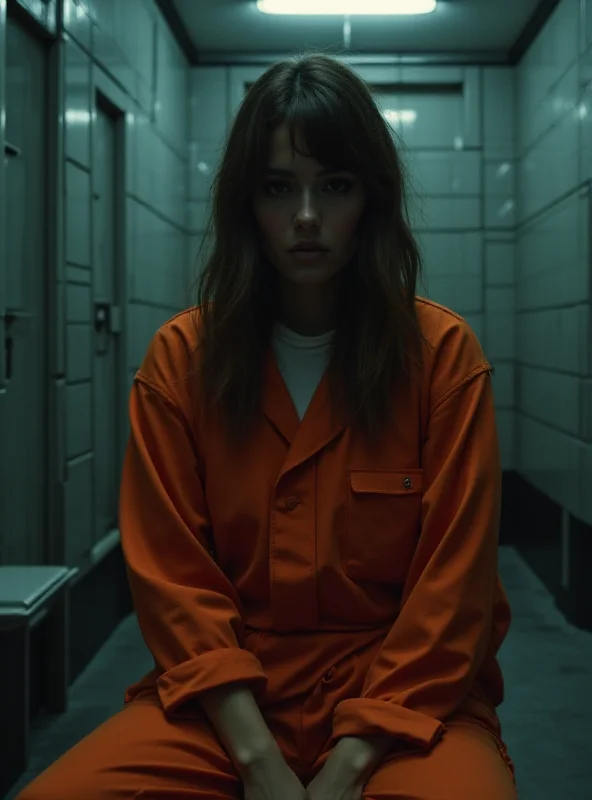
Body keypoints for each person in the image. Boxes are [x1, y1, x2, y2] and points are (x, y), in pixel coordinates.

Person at [18, 53, 518, 800]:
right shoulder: (181, 361)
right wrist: (258, 762)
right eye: (280, 188)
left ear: (371, 202)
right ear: (246, 205)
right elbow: (174, 581)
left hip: (403, 696)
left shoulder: (442, 360)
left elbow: (454, 589)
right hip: (229, 694)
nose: (307, 217)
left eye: (336, 187)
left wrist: (351, 761)